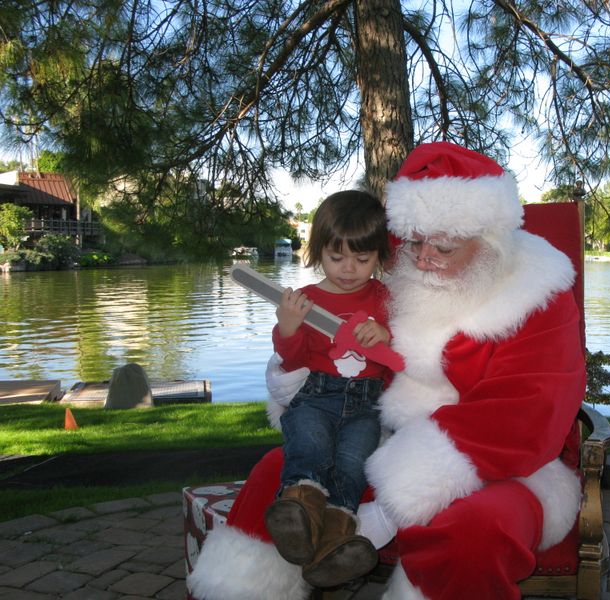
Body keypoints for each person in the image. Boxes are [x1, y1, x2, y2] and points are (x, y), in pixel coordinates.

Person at [187, 142, 586, 600]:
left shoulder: (537, 298)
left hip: (506, 468)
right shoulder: (397, 282)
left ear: (490, 241)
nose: (422, 258)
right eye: (413, 242)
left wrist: (393, 504)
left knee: (474, 532)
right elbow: (355, 360)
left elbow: (526, 414)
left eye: (444, 246)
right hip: (379, 439)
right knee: (276, 475)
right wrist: (299, 363)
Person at [268, 189, 393, 587]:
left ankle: (336, 538)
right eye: (336, 257)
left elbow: (403, 356)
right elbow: (292, 359)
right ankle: (298, 509)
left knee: (355, 462)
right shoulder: (306, 301)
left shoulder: (386, 299)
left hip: (367, 403)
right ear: (318, 250)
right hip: (316, 394)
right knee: (309, 441)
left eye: (362, 258)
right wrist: (287, 327)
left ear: (379, 256)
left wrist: (386, 335)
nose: (349, 268)